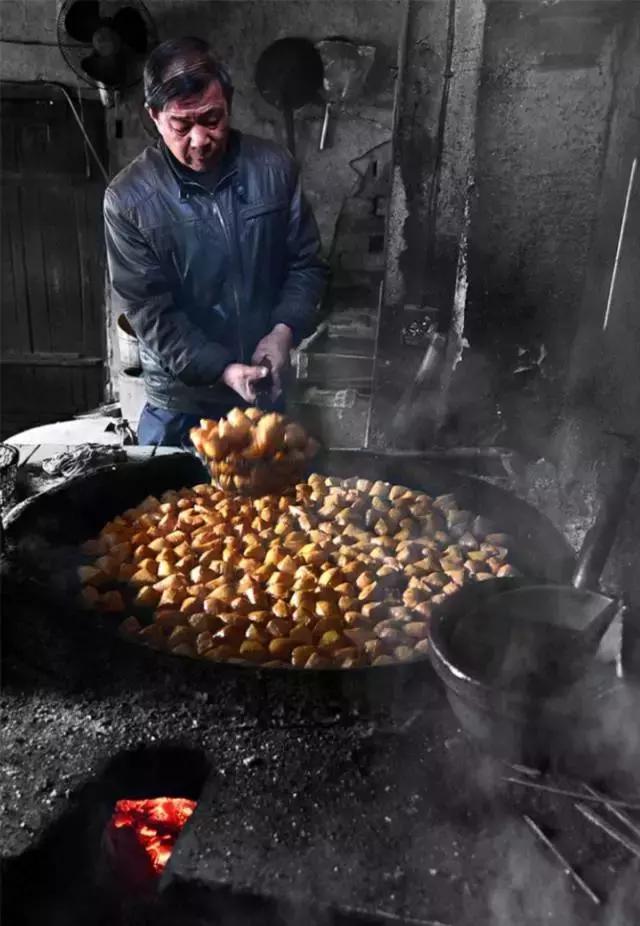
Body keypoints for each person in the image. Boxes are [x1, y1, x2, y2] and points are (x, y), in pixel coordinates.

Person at [104, 36, 327, 446]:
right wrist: (222, 369)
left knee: (267, 507)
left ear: (229, 100)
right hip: (180, 405)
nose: (200, 139)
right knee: (170, 507)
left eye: (212, 118)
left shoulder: (274, 169)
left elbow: (305, 264)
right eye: (181, 125)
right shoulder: (128, 199)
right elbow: (150, 310)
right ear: (154, 115)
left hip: (264, 394)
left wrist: (282, 332)